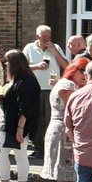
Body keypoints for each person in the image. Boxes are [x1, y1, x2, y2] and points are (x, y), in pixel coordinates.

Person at [41, 57, 89, 182]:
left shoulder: (66, 83)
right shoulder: (67, 85)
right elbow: (77, 107)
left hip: (61, 130)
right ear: (73, 70)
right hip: (63, 132)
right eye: (81, 71)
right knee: (64, 180)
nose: (84, 76)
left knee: (63, 180)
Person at [0, 51, 39, 182]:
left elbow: (26, 108)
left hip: (18, 126)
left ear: (15, 63)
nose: (5, 65)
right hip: (7, 125)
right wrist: (1, 99)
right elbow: (13, 102)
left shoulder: (27, 81)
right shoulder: (14, 79)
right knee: (1, 155)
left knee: (20, 156)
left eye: (7, 62)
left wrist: (20, 129)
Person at [22, 25, 67, 159]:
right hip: (34, 89)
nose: (47, 39)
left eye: (49, 36)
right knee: (36, 120)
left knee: (49, 119)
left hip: (52, 90)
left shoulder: (56, 47)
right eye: (44, 36)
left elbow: (66, 66)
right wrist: (36, 66)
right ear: (37, 37)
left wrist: (55, 51)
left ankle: (50, 148)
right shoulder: (29, 48)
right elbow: (22, 66)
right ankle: (38, 148)